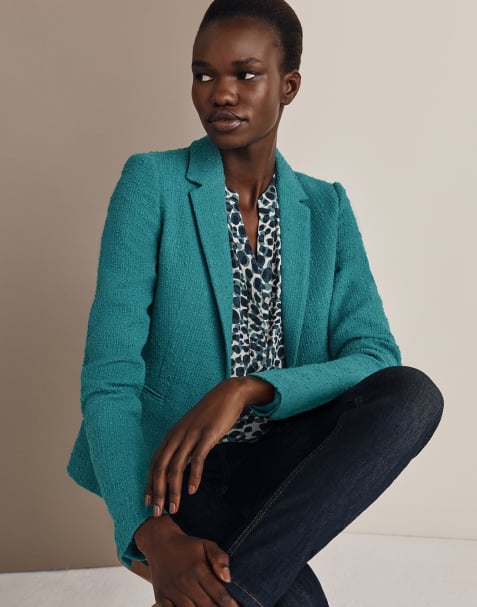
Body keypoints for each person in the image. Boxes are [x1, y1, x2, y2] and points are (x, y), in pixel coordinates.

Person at [67, 1, 444, 605]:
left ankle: (234, 590)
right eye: (204, 73)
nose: (221, 93)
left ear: (288, 85)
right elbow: (109, 378)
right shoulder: (153, 184)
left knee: (411, 394)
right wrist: (153, 535)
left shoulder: (327, 209)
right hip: (180, 475)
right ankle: (242, 588)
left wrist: (250, 388)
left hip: (280, 465)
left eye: (246, 74)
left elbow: (374, 355)